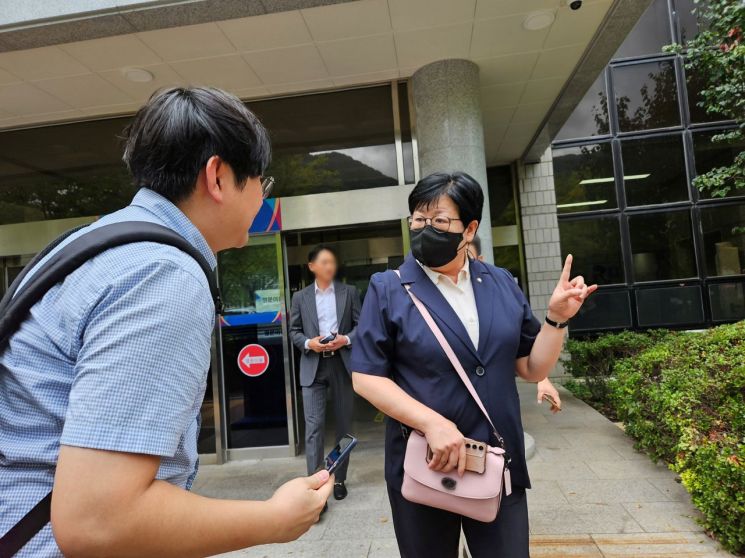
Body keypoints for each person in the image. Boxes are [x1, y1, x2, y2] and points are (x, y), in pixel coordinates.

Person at [0, 87, 332, 558]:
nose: (262, 197)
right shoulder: (165, 275)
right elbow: (98, 521)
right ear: (217, 177)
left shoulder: (89, 245)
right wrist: (274, 519)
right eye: (262, 181)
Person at [351, 172, 596, 558]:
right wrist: (432, 423)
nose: (424, 227)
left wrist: (555, 319)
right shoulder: (389, 288)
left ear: (470, 229)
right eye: (418, 218)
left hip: (498, 463)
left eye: (439, 220)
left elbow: (531, 368)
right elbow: (366, 378)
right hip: (424, 465)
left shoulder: (500, 282)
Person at [290, 244, 362, 503]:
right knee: (314, 429)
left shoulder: (349, 292)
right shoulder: (300, 297)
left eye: (332, 262)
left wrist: (345, 339)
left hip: (341, 365)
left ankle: (339, 479)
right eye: (323, 262)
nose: (329, 266)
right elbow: (294, 331)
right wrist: (310, 343)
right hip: (313, 366)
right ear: (312, 267)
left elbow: (361, 326)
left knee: (343, 427)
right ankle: (316, 487)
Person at [467, 236, 563, 413]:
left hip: (499, 412)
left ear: (480, 260)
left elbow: (525, 346)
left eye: (467, 256)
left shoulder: (502, 291)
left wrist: (542, 379)